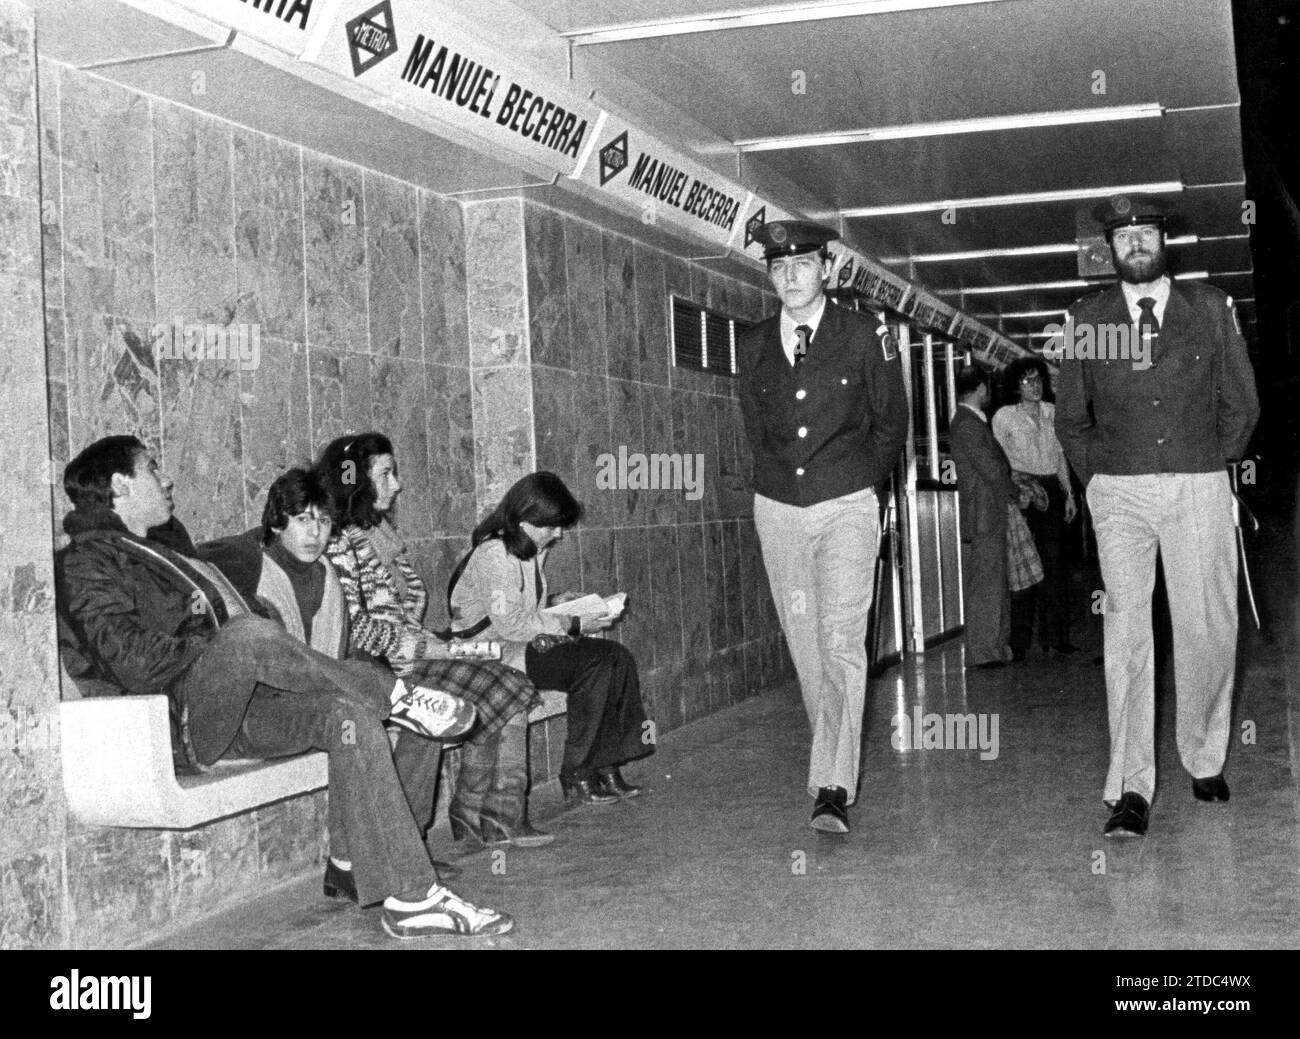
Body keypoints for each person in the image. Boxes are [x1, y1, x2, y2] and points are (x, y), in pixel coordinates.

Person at [55, 436, 512, 938]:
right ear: (121, 483)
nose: (166, 479)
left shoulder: (167, 549)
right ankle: (394, 697)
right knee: (250, 636)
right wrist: (224, 648)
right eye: (152, 468)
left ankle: (411, 897)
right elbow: (131, 662)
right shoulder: (87, 561)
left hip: (245, 707)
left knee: (348, 716)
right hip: (183, 719)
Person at [1056, 195, 1260, 838]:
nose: (1136, 244)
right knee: (1126, 633)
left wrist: (1214, 461)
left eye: (1146, 233)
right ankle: (1129, 785)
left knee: (1207, 626)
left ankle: (1203, 756)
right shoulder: (1088, 318)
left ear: (1164, 241)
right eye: (1124, 237)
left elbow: (1243, 405)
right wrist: (1101, 481)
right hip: (1119, 493)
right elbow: (1071, 418)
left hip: (1198, 482)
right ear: (1109, 249)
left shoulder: (1210, 309)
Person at [198, 467, 464, 885]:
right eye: (303, 519)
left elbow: (349, 648)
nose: (315, 532)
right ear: (276, 521)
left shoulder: (329, 575)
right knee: (356, 713)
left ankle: (374, 853)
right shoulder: (251, 565)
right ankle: (380, 867)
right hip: (256, 713)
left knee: (420, 724)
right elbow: (200, 560)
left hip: (318, 699)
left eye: (323, 521)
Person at [738, 219, 909, 834]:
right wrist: (780, 486)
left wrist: (860, 482)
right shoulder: (753, 343)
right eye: (779, 267)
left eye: (803, 264)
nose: (791, 276)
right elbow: (757, 429)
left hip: (846, 504)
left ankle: (833, 785)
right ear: (769, 274)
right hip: (780, 505)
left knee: (841, 640)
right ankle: (828, 764)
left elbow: (892, 424)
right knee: (806, 643)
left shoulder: (867, 335)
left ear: (826, 269)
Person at [316, 433, 547, 848]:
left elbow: (404, 614)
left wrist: (429, 641)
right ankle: (451, 825)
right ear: (355, 480)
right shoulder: (338, 541)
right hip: (383, 668)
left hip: (414, 652)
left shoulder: (381, 534)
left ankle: (481, 812)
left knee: (508, 676)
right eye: (386, 474)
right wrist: (423, 646)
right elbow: (351, 628)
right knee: (501, 687)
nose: (398, 484)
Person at [449, 472, 653, 807]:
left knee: (617, 656)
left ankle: (606, 765)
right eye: (552, 526)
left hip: (520, 644)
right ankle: (578, 771)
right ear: (527, 519)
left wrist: (558, 602)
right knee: (593, 663)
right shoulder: (494, 555)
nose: (558, 534)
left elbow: (520, 609)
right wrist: (574, 623)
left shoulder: (526, 550)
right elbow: (512, 623)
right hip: (492, 653)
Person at [992, 356, 1078, 657]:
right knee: (1023, 570)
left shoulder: (1053, 413)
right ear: (1016, 386)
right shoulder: (1004, 417)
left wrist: (1069, 495)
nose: (1035, 386)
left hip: (1052, 490)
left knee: (1055, 567)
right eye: (1028, 380)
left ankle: (1057, 637)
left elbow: (1061, 458)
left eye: (1038, 379)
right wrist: (1013, 490)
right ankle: (1019, 643)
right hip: (1023, 494)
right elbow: (998, 461)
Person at [949, 366, 1017, 669]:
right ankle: (984, 651)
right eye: (987, 387)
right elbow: (992, 468)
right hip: (984, 514)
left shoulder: (972, 422)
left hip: (988, 512)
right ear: (979, 388)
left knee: (992, 582)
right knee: (987, 585)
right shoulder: (967, 424)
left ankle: (995, 646)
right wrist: (1017, 490)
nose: (989, 392)